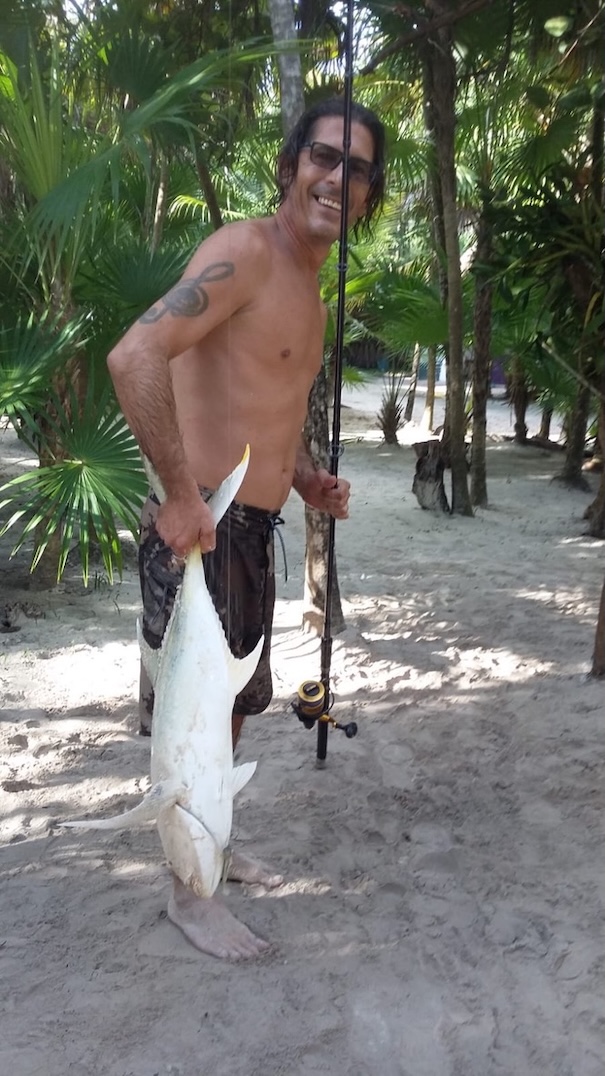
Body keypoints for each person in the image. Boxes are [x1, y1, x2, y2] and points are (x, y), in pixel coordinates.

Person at [107, 97, 386, 960]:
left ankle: (211, 844)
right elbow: (135, 356)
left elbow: (268, 408)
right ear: (291, 162)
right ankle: (190, 898)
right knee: (188, 721)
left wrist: (302, 476)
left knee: (228, 709)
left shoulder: (305, 284)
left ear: (371, 196)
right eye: (325, 157)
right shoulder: (243, 253)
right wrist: (180, 494)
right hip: (201, 531)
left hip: (250, 530)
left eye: (359, 169)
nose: (338, 179)